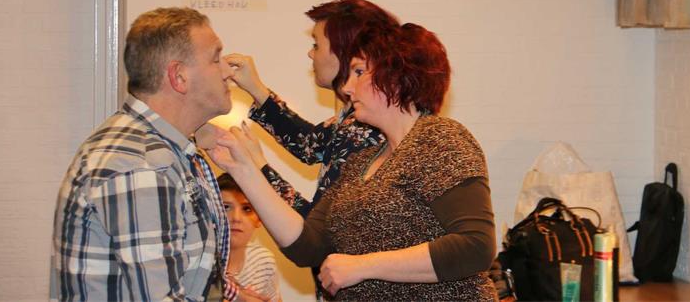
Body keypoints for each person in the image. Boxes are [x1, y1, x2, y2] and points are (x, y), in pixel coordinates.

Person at [210, 22, 498, 300]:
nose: (347, 88)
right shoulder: (360, 163)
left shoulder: (438, 138)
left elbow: (475, 247)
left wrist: (363, 266)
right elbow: (307, 246)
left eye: (359, 72)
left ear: (398, 77)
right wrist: (244, 169)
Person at [50, 7, 254, 301]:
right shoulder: (141, 166)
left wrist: (233, 295)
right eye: (215, 59)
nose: (227, 71)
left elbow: (189, 270)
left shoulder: (165, 149)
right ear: (179, 77)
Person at [220, 0, 399, 215]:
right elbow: (310, 144)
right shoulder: (357, 118)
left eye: (316, 45)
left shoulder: (364, 128)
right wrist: (256, 89)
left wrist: (255, 166)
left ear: (345, 53)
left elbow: (315, 227)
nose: (311, 54)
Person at [208, 174, 282, 302]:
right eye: (226, 207)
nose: (236, 218)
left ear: (260, 218)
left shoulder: (262, 262)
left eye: (247, 209)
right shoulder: (198, 263)